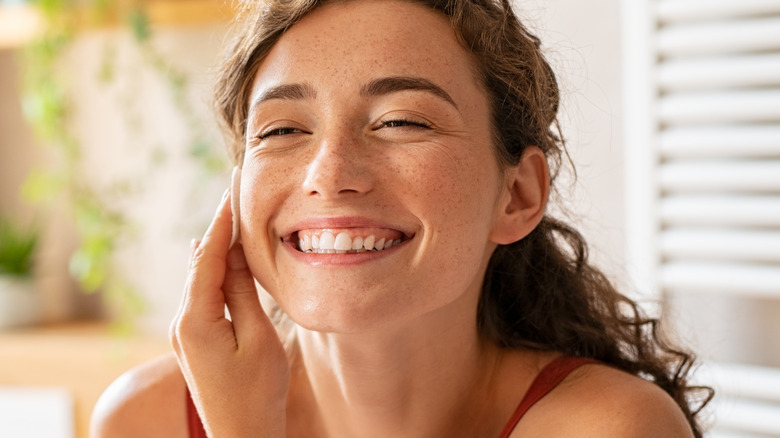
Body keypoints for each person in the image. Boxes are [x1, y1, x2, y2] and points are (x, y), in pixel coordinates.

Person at [91, 0, 712, 436]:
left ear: (517, 194)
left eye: (401, 121)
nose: (328, 173)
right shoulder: (144, 422)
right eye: (282, 130)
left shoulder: (606, 430)